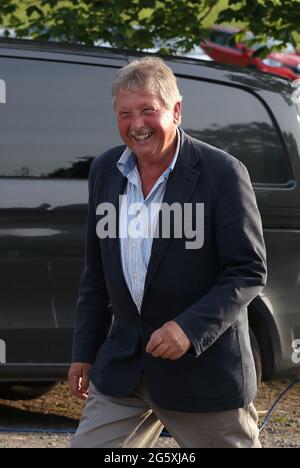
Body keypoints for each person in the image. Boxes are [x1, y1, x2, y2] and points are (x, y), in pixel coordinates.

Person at [68, 57, 267, 448]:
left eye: (147, 110)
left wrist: (189, 330)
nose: (136, 124)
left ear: (176, 111)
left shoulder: (222, 172)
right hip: (125, 369)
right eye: (125, 114)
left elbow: (247, 271)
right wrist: (84, 352)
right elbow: (97, 273)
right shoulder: (106, 170)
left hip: (203, 374)